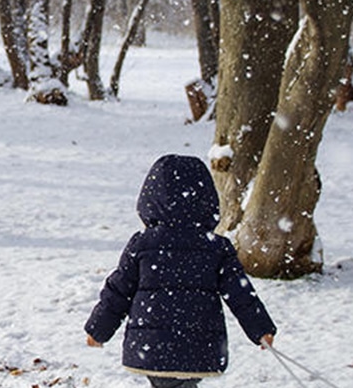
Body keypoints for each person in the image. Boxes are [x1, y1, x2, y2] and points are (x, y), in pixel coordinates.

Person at [84, 154, 276, 388]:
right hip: (199, 346)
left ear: (149, 200)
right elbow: (241, 294)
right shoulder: (215, 247)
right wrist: (260, 329)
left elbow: (118, 291)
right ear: (207, 200)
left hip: (152, 346)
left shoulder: (143, 244)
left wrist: (99, 329)